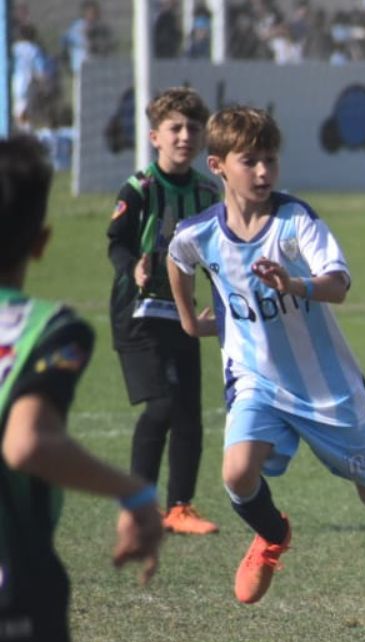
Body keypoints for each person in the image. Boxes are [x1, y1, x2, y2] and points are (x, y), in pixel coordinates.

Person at [165, 106, 365, 639]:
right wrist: (191, 321)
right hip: (256, 381)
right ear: (217, 165)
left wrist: (296, 285)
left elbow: (339, 284)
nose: (263, 172)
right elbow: (177, 255)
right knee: (236, 473)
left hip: (327, 390)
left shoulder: (294, 221)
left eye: (271, 160)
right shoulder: (200, 233)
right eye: (249, 161)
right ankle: (271, 533)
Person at [0, 136, 164, 642]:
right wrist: (134, 491)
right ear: (41, 242)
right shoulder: (46, 328)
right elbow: (29, 441)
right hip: (16, 599)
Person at [107, 87, 222, 537]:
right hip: (137, 314)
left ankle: (179, 508)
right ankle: (139, 505)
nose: (185, 136)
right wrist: (131, 265)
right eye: (175, 128)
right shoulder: (140, 188)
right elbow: (116, 241)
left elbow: (218, 250)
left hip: (181, 314)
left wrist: (224, 293)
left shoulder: (208, 191)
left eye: (194, 128)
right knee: (161, 405)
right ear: (156, 136)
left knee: (189, 412)